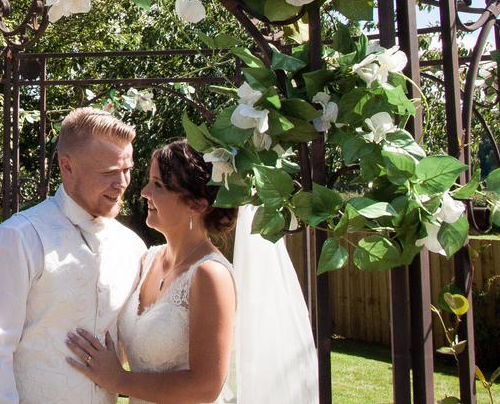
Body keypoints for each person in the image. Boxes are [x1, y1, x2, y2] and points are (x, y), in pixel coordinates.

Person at [64, 139, 318, 403]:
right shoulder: (147, 260)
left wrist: (120, 380)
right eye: (150, 181)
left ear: (197, 204)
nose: (144, 192)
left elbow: (206, 386)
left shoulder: (210, 275)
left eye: (158, 185)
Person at [0, 107, 147, 403]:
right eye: (110, 173)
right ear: (68, 166)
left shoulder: (132, 247)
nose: (123, 183)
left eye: (127, 170)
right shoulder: (17, 240)